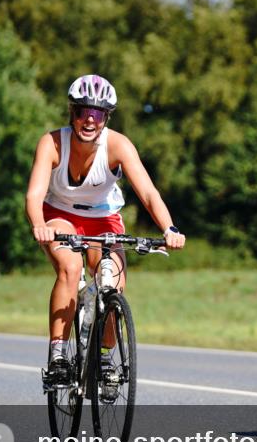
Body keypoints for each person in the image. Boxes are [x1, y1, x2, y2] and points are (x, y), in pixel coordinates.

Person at [25, 74, 185, 389]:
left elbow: (149, 194)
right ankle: (58, 355)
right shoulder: (53, 143)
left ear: (106, 117)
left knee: (113, 283)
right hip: (58, 215)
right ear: (71, 112)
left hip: (104, 218)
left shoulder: (118, 145)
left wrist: (169, 228)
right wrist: (39, 226)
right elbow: (33, 195)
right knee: (70, 269)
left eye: (98, 114)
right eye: (83, 111)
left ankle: (104, 357)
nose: (89, 119)